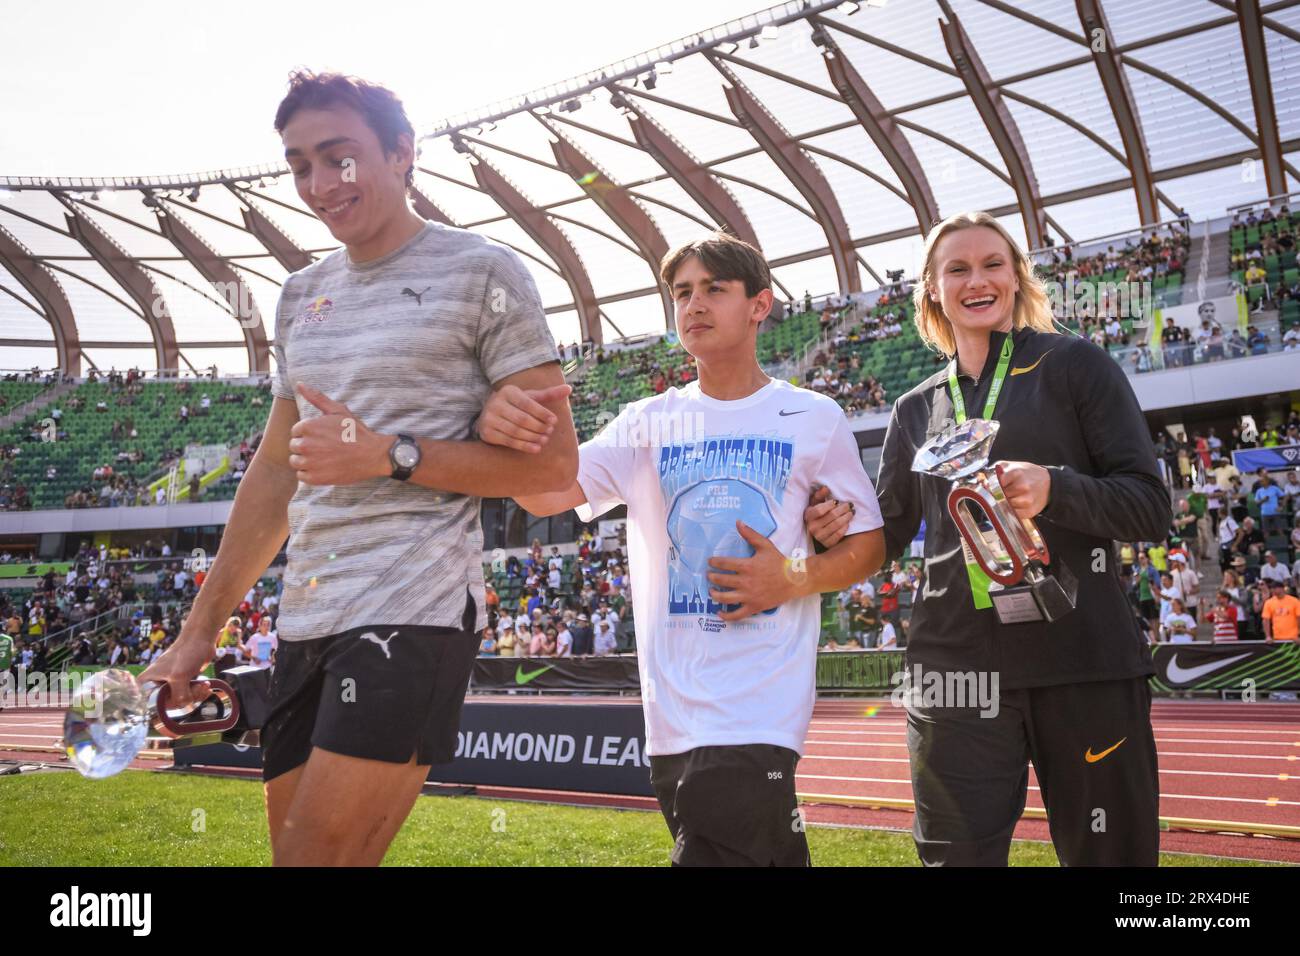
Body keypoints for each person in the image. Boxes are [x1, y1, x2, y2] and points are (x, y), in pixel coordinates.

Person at [140, 70, 576, 868]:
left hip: (412, 612)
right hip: (306, 619)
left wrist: (389, 454)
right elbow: (276, 473)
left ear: (402, 153)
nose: (316, 184)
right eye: (299, 164)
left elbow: (552, 467)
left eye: (338, 158)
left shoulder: (486, 272)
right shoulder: (300, 295)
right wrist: (196, 636)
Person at [474, 230, 885, 866]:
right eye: (682, 292)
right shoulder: (646, 420)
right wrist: (516, 424)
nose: (692, 304)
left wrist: (791, 576)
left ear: (759, 304)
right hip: (671, 713)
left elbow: (869, 547)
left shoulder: (813, 416)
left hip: (759, 703)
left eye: (713, 289)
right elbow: (545, 496)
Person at [813, 211, 1169, 866]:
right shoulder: (914, 406)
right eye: (957, 269)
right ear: (931, 290)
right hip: (956, 672)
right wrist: (830, 526)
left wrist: (1056, 487)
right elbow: (886, 534)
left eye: (992, 265)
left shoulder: (1076, 366)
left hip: (1082, 661)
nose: (977, 281)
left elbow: (1150, 507)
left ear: (1016, 277)